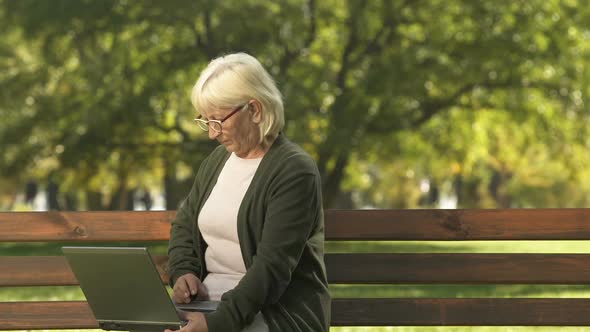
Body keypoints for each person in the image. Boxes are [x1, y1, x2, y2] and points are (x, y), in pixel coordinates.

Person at [166, 52, 331, 332]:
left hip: (275, 313)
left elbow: (272, 269)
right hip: (210, 306)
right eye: (206, 121)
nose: (212, 134)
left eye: (218, 121)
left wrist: (216, 324)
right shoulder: (216, 162)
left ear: (254, 110)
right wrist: (184, 272)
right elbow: (185, 225)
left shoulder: (294, 170)